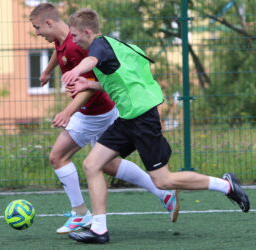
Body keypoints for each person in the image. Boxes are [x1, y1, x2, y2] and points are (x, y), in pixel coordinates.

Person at [61, 8, 250, 244]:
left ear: (87, 32)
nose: (74, 40)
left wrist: (77, 70)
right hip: (129, 118)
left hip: (142, 120)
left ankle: (226, 186)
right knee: (92, 164)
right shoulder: (117, 46)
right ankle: (99, 229)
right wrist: (88, 85)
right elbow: (123, 79)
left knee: (163, 180)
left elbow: (92, 59)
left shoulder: (98, 45)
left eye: (75, 35)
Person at [29, 3, 180, 235]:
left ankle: (80, 214)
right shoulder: (63, 40)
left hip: (94, 112)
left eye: (38, 28)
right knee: (107, 164)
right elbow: (59, 52)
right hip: (104, 111)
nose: (37, 33)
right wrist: (48, 70)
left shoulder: (79, 45)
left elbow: (94, 86)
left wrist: (68, 111)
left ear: (49, 23)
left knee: (58, 157)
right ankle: (163, 192)